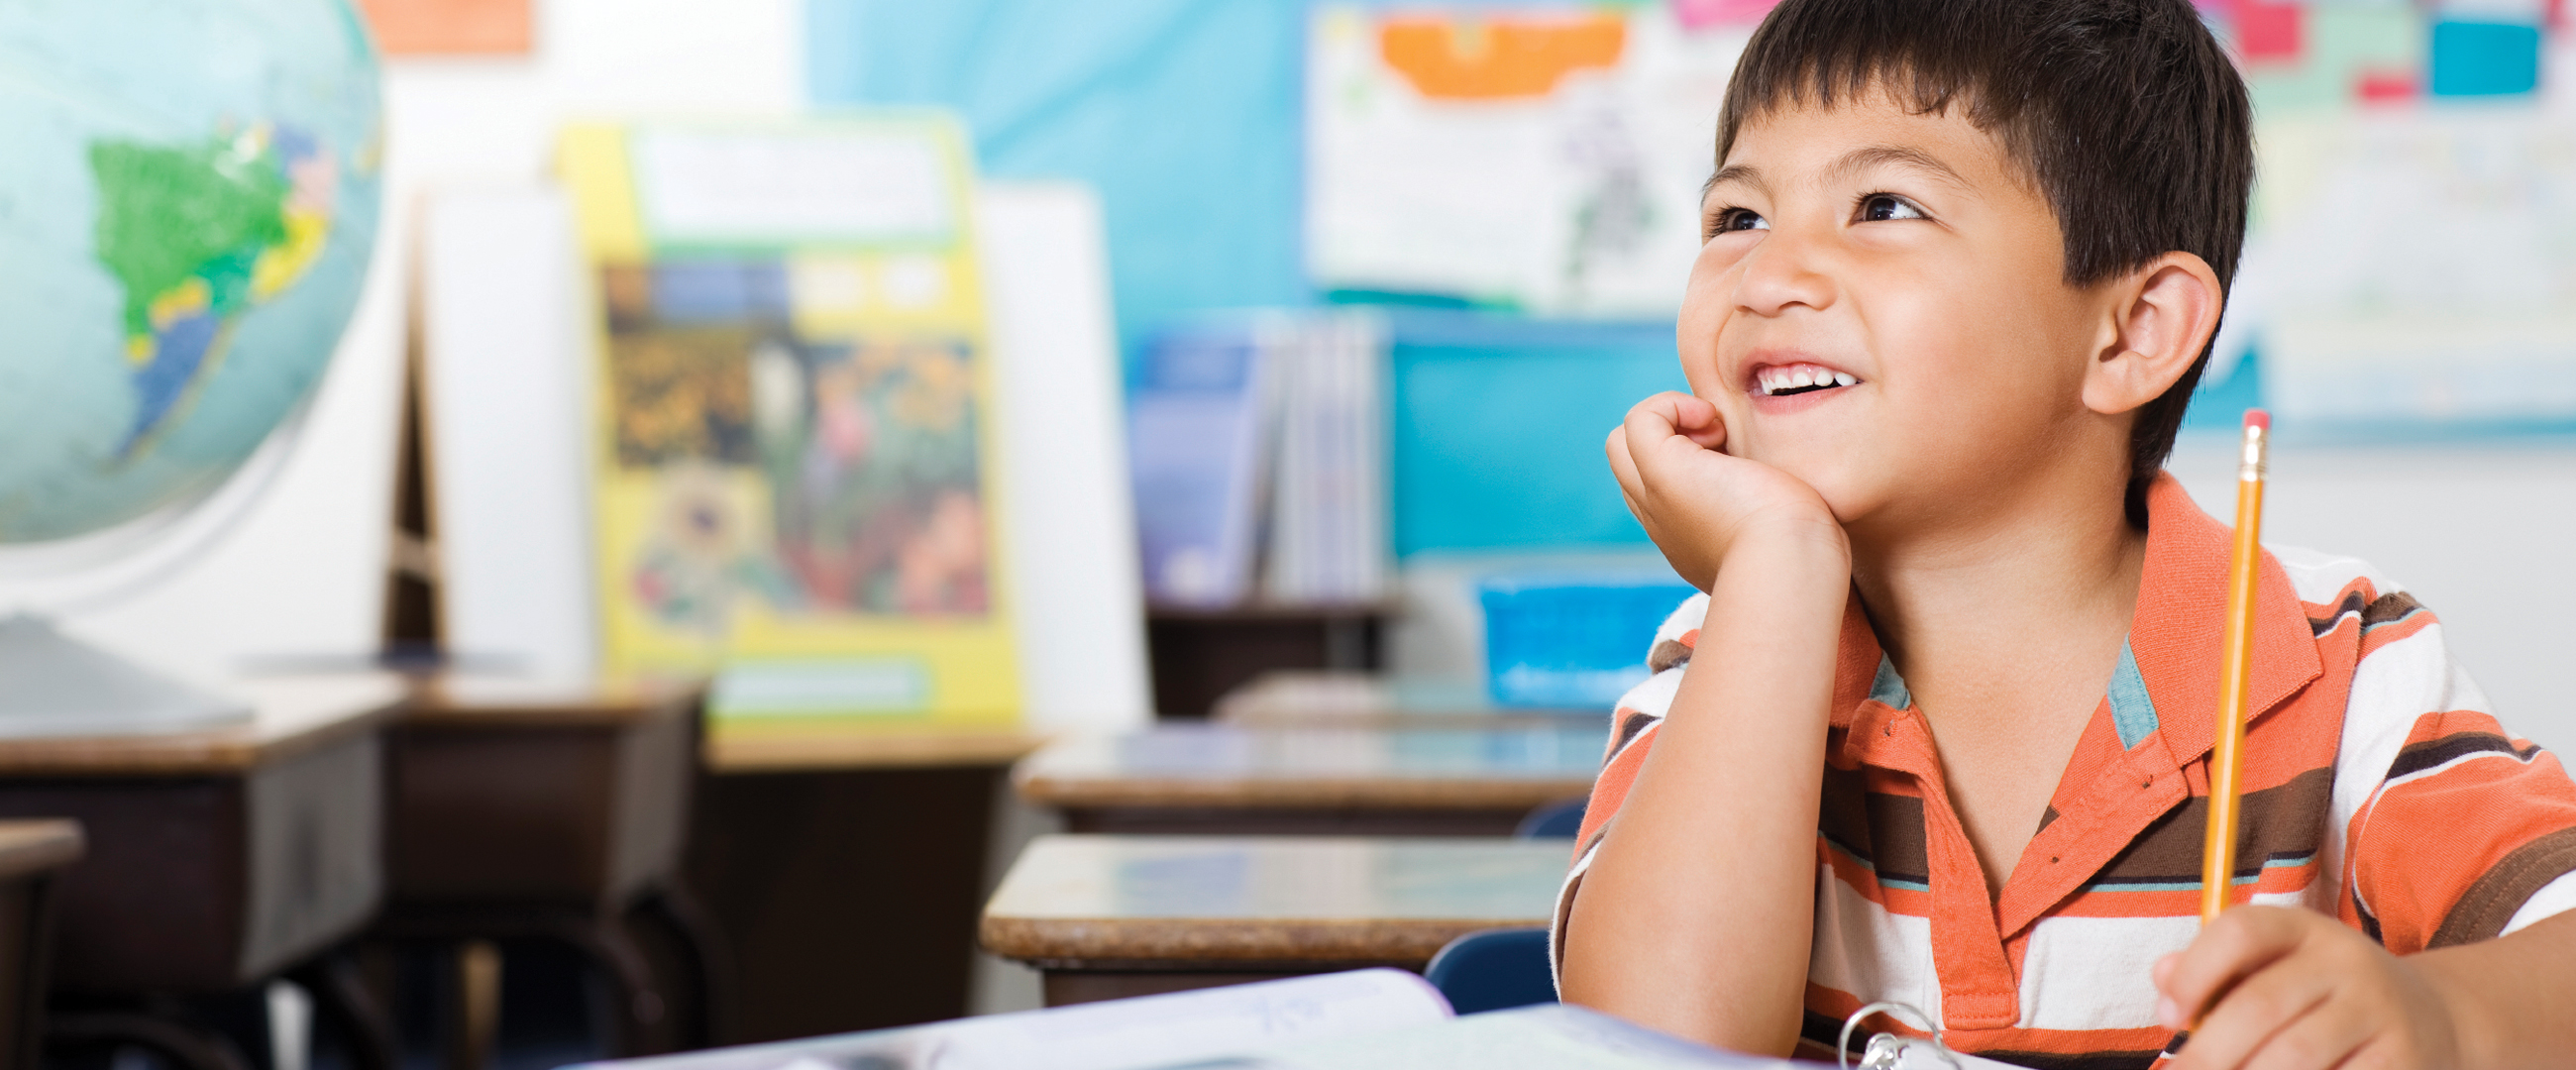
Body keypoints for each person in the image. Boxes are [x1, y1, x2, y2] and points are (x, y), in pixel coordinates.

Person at [1550, 1, 2576, 1066]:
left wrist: (2440, 1018)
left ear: (2133, 330)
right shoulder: (1732, 651)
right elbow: (1647, 1046)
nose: (1765, 279)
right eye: (1736, 220)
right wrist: (1772, 573)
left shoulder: (2337, 663)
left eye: (1882, 205)